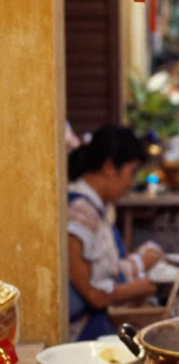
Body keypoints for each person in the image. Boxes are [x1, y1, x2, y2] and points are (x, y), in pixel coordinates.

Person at [67, 126, 163, 341]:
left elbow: (105, 272)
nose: (131, 183)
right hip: (80, 332)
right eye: (132, 172)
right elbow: (94, 295)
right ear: (110, 166)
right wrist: (148, 286)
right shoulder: (78, 213)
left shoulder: (99, 209)